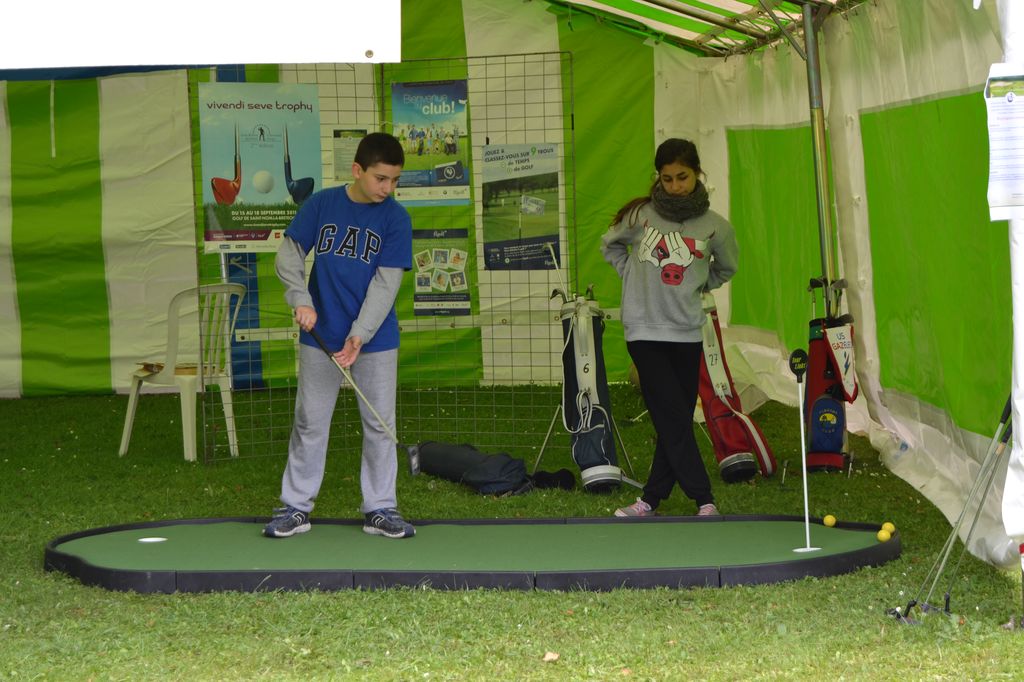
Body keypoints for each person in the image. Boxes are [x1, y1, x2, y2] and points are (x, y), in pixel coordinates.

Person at [264, 132, 415, 539]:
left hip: (375, 339)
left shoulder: (396, 219)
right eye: (381, 178)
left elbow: (386, 283)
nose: (388, 188)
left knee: (380, 424)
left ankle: (380, 507)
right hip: (321, 335)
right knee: (310, 421)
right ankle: (296, 506)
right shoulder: (322, 204)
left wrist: (360, 334)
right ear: (357, 170)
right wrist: (301, 299)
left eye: (395, 180)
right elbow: (289, 254)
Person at [600, 138, 738, 518]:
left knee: (671, 417)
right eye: (667, 178)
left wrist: (698, 285)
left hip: (686, 332)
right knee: (674, 415)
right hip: (644, 332)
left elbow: (726, 267)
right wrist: (632, 278)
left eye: (683, 177)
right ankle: (704, 498)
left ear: (697, 174)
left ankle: (650, 500)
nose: (675, 185)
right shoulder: (640, 216)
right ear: (658, 177)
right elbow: (610, 246)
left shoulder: (716, 227)